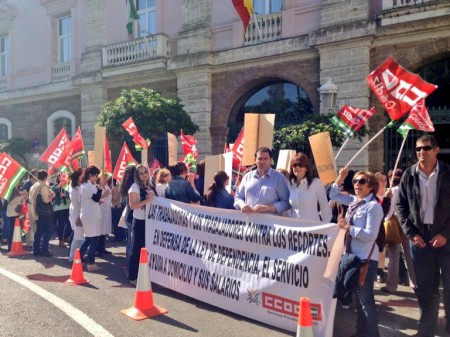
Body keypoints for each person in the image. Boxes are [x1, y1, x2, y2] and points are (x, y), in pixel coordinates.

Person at [397, 134, 450, 337]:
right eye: (418, 149)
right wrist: (410, 233)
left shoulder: (447, 173)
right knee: (426, 289)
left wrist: (445, 234)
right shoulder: (409, 175)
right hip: (420, 240)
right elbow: (401, 206)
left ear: (436, 150)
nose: (421, 152)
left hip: (446, 241)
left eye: (426, 148)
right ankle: (426, 330)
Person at [329, 166, 384, 337]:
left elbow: (370, 235)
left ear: (371, 186)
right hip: (351, 256)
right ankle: (361, 332)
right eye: (355, 181)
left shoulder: (373, 206)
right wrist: (340, 177)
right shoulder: (354, 202)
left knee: (366, 300)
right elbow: (332, 195)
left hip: (365, 259)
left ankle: (371, 334)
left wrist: (348, 227)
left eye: (362, 181)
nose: (357, 184)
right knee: (358, 300)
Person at [234, 147, 290, 215]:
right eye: (260, 158)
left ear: (271, 160)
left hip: (269, 223)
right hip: (248, 222)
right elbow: (238, 197)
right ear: (255, 160)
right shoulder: (247, 177)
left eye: (265, 158)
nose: (262, 162)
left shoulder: (279, 178)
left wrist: (266, 208)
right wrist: (242, 205)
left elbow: (286, 202)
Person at [127, 164, 154, 285]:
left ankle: (146, 274)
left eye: (145, 172)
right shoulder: (134, 187)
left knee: (148, 248)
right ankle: (133, 276)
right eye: (141, 173)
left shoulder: (150, 186)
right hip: (139, 221)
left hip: (150, 221)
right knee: (137, 249)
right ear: (137, 176)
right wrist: (147, 201)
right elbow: (132, 205)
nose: (144, 175)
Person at [288, 152, 332, 222]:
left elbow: (325, 208)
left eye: (301, 165)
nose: (297, 167)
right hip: (294, 228)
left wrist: (324, 228)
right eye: (294, 165)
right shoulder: (288, 185)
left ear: (306, 168)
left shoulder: (316, 183)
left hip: (312, 229)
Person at [79, 166, 103, 271]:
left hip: (91, 213)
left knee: (89, 238)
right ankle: (90, 262)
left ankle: (79, 257)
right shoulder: (86, 186)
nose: (97, 177)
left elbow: (96, 199)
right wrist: (101, 188)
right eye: (96, 175)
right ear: (90, 175)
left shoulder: (89, 185)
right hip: (90, 215)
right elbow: (96, 198)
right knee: (93, 238)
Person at [30, 169, 56, 257]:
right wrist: (52, 196)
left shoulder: (35, 186)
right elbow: (46, 200)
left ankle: (36, 250)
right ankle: (44, 249)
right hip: (45, 212)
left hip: (37, 211)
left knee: (39, 231)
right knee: (49, 229)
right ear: (45, 177)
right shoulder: (43, 186)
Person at [68, 169, 84, 263]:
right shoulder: (75, 189)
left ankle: (78, 255)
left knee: (80, 236)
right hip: (77, 213)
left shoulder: (76, 186)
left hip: (77, 212)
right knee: (77, 236)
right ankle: (72, 257)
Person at [52, 174, 71, 248]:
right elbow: (52, 192)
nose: (62, 177)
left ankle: (66, 237)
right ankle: (61, 240)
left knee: (69, 223)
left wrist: (65, 195)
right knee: (61, 225)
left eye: (64, 176)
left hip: (67, 207)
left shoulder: (68, 185)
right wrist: (59, 185)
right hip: (58, 208)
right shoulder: (55, 186)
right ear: (58, 177)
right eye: (60, 176)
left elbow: (71, 195)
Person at [97, 174, 112, 256]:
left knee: (104, 230)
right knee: (99, 230)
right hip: (100, 210)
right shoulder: (97, 187)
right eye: (103, 178)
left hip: (107, 211)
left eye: (106, 178)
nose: (105, 180)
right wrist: (104, 195)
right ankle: (98, 249)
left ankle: (102, 248)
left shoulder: (107, 187)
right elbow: (96, 199)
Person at [22, 169, 37, 247]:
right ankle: (28, 242)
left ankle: (35, 240)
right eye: (35, 174)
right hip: (29, 205)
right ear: (32, 175)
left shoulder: (38, 183)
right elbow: (24, 194)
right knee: (29, 224)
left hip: (36, 206)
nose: (37, 176)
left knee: (35, 224)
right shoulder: (27, 183)